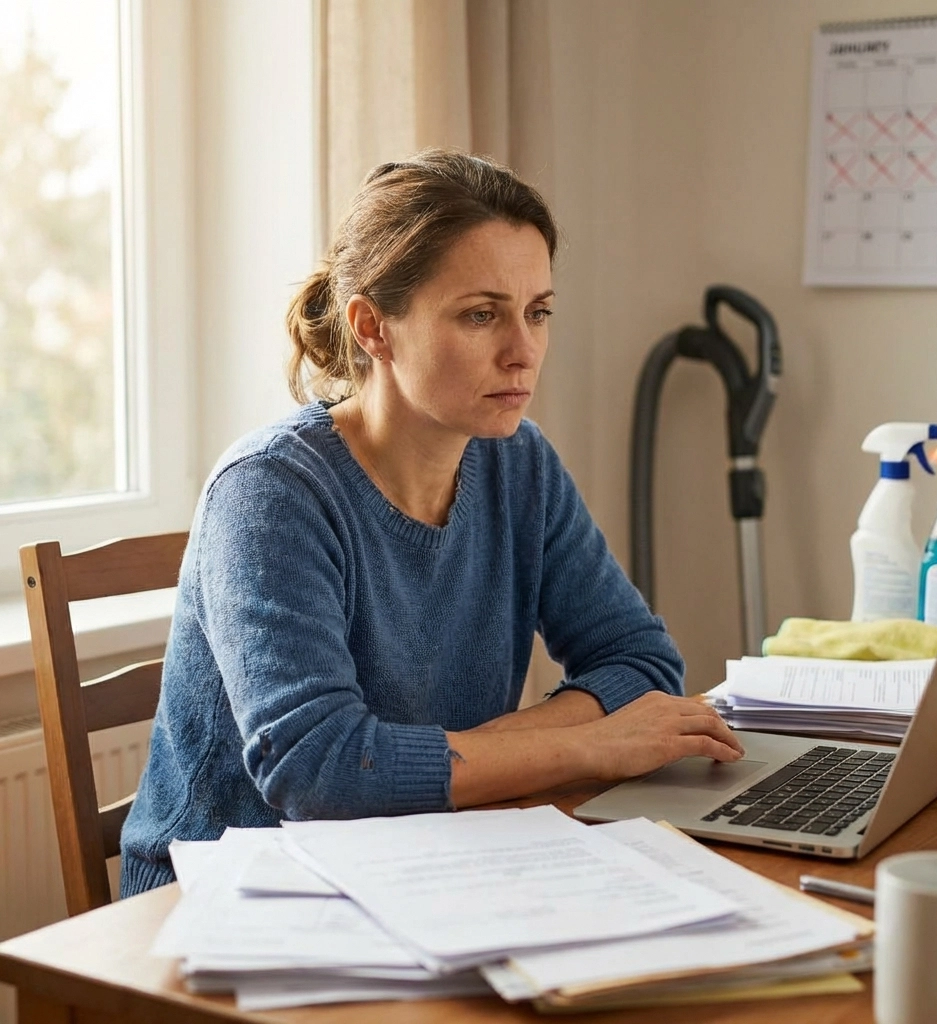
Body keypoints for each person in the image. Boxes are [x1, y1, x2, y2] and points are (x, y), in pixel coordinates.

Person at [121, 150, 744, 897]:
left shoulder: (519, 464)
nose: (523, 352)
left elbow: (641, 663)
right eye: (481, 315)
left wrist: (431, 759)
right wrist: (590, 747)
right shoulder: (269, 493)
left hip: (429, 855)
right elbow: (318, 772)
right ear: (372, 326)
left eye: (537, 312)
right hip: (236, 894)